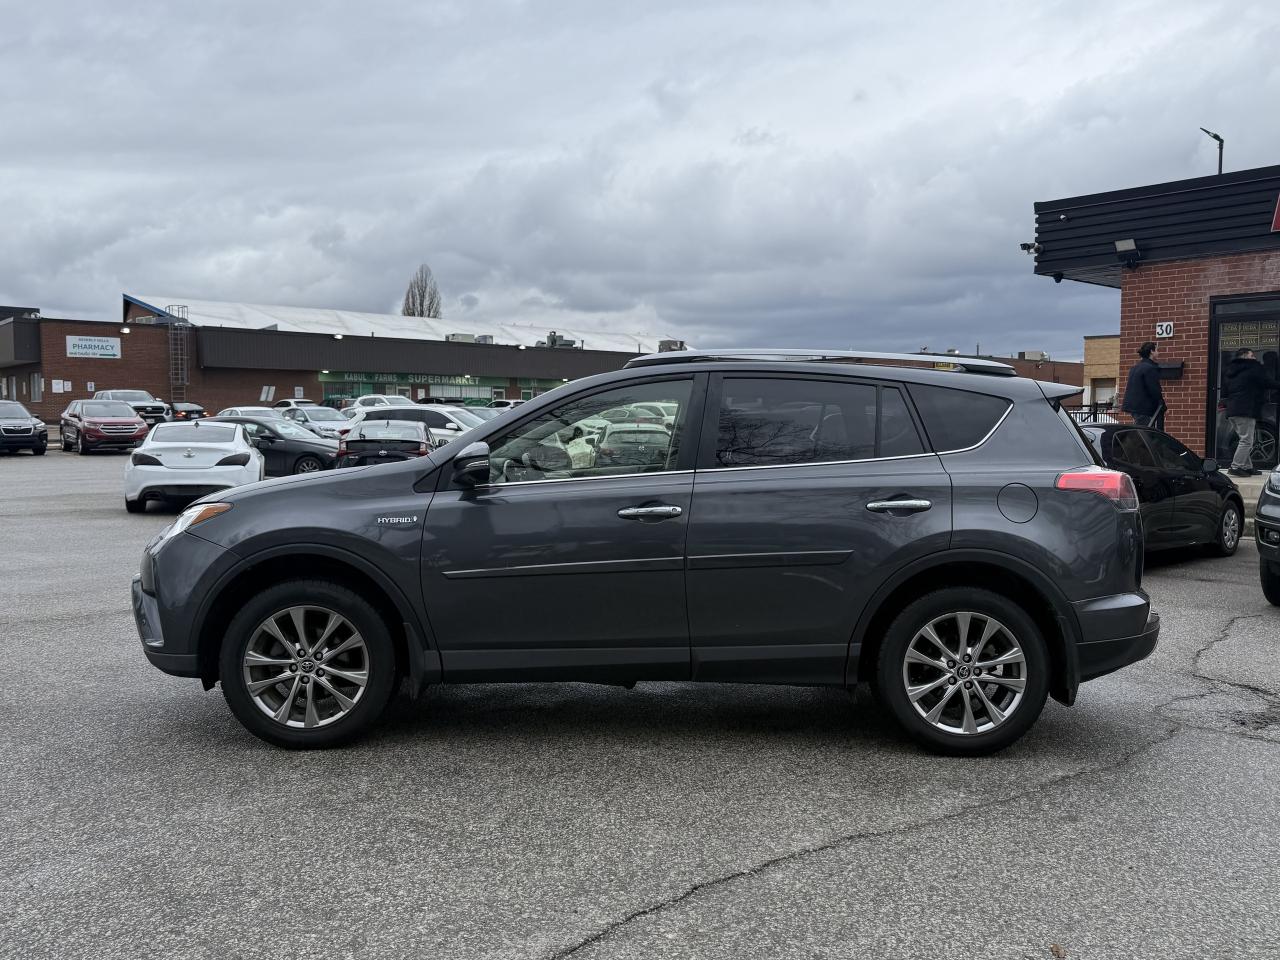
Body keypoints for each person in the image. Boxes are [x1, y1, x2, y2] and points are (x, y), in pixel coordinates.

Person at [1222, 347, 1280, 477]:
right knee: (1247, 440)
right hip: (1245, 409)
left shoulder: (1232, 370)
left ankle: (1247, 467)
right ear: (1245, 357)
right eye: (1252, 355)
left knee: (1246, 439)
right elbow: (1267, 382)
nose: (1254, 358)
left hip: (1233, 410)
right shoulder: (1252, 368)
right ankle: (1235, 466)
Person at [1121, 341, 1165, 429]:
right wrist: (1161, 403)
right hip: (1143, 408)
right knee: (1146, 434)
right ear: (1152, 352)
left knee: (1141, 431)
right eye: (1156, 350)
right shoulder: (1150, 368)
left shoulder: (1135, 368)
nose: (1158, 352)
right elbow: (1154, 389)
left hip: (1135, 407)